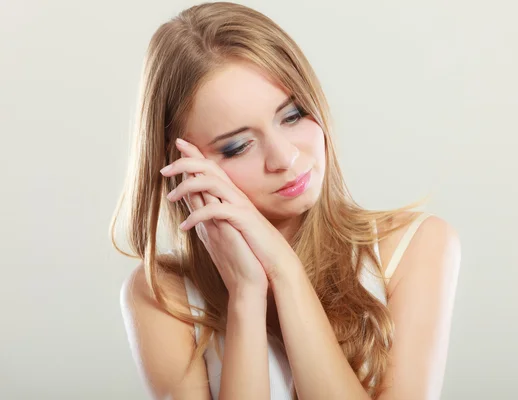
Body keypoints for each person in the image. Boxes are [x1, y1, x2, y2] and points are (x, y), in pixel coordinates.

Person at [112, 2, 461, 399]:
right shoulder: (164, 295)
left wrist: (285, 272)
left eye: (292, 116)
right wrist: (246, 292)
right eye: (239, 145)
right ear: (184, 169)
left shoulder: (415, 247)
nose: (285, 158)